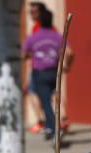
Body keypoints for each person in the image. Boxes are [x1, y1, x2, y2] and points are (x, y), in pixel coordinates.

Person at [23, 6, 69, 141]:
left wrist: (31, 55)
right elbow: (70, 52)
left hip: (40, 73)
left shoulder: (33, 37)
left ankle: (55, 129)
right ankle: (50, 127)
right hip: (54, 72)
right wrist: (66, 66)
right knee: (52, 99)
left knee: (45, 102)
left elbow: (24, 54)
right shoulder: (57, 36)